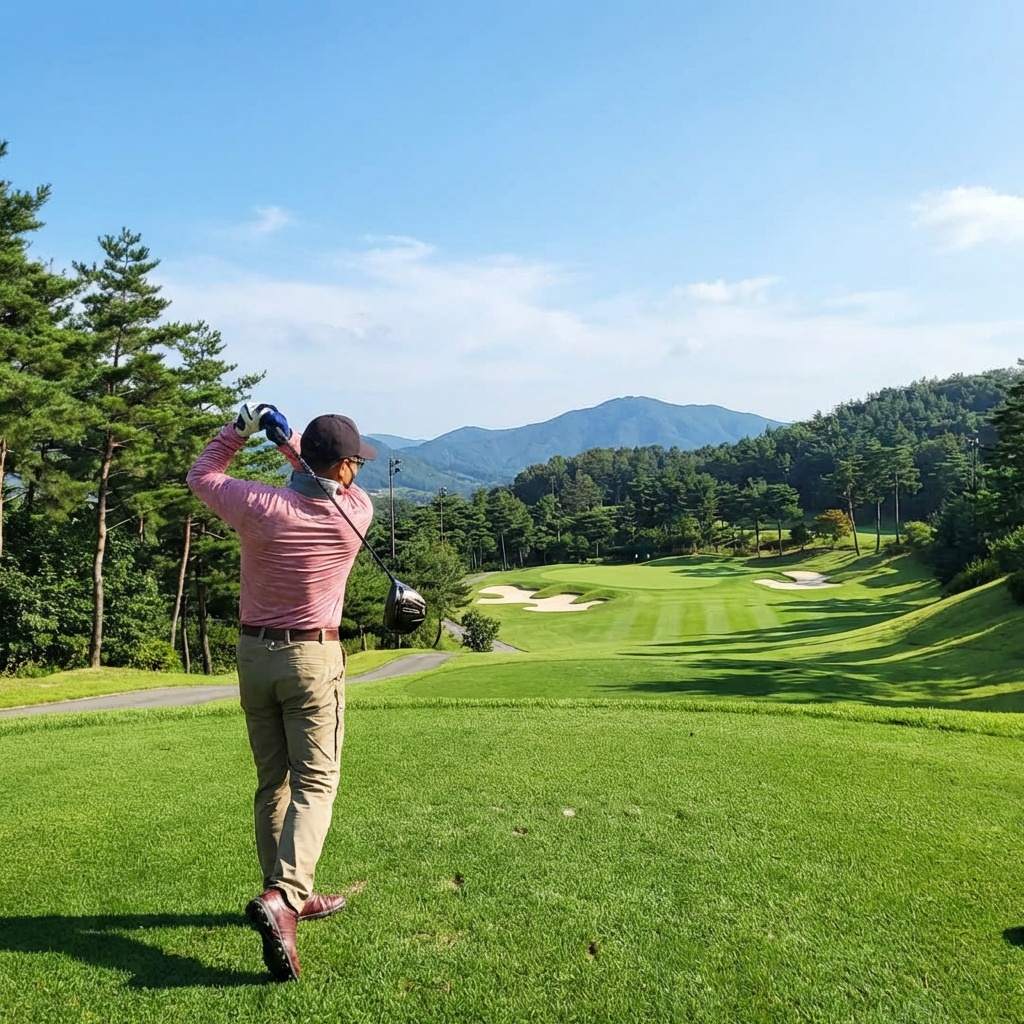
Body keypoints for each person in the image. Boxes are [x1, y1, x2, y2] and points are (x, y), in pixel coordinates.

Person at [187, 402, 376, 982]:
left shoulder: (258, 505)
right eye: (355, 463)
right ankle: (286, 898)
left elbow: (202, 475)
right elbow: (318, 475)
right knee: (316, 781)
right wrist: (287, 437)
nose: (360, 473)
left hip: (252, 656)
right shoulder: (355, 514)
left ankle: (287, 893)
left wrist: (244, 429)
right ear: (343, 467)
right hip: (313, 658)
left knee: (273, 781)